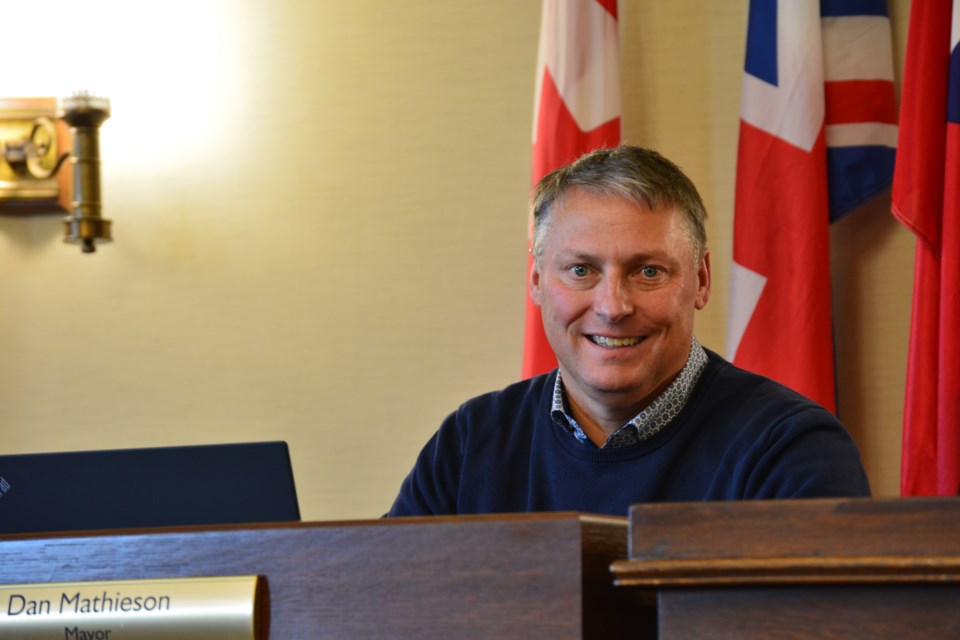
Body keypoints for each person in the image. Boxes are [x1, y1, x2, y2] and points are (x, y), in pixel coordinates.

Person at [387, 145, 870, 518]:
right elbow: (380, 608)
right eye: (580, 270)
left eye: (649, 272)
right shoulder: (471, 442)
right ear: (536, 280)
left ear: (701, 280)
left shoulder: (790, 450)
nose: (613, 307)